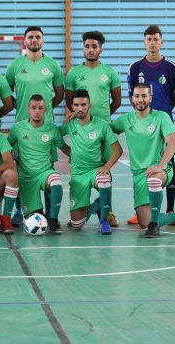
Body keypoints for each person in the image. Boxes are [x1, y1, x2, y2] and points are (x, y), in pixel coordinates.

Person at [111, 84, 175, 237]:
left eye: (144, 96)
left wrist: (160, 166)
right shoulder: (126, 119)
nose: (140, 99)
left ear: (150, 98)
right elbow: (105, 129)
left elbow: (172, 143)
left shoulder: (161, 117)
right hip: (139, 175)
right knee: (143, 223)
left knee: (153, 182)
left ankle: (155, 225)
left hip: (161, 170)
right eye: (137, 96)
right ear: (132, 99)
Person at [65, 30, 122, 228]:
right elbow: (69, 100)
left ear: (101, 49)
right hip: (82, 128)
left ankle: (108, 211)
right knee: (86, 165)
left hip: (102, 128)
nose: (90, 50)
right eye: (87, 46)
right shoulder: (74, 73)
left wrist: (102, 120)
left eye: (94, 46)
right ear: (83, 48)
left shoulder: (110, 72)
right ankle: (91, 206)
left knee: (106, 170)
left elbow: (117, 101)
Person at [126, 25, 175, 223]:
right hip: (142, 123)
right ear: (144, 42)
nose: (152, 43)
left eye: (156, 39)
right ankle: (143, 208)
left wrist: (162, 111)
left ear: (161, 42)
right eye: (149, 39)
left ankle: (169, 208)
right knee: (143, 163)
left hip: (163, 121)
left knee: (167, 163)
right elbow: (132, 95)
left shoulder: (171, 67)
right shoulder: (135, 67)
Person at [59, 89, 122, 235]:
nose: (80, 108)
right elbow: (55, 137)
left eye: (83, 104)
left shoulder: (101, 125)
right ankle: (98, 205)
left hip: (95, 170)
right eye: (76, 105)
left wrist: (107, 166)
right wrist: (70, 152)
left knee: (104, 180)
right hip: (78, 174)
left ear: (89, 106)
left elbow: (117, 150)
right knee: (76, 225)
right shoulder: (69, 124)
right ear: (72, 107)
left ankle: (104, 220)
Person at [7, 95, 66, 233]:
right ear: (28, 110)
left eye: (40, 108)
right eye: (33, 108)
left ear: (45, 110)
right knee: (36, 218)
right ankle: (30, 210)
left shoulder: (52, 129)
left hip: (44, 174)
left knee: (56, 180)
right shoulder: (17, 128)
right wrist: (12, 159)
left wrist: (81, 158)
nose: (37, 111)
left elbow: (65, 148)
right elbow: (6, 148)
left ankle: (53, 219)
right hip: (26, 178)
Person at [5, 26, 64, 123]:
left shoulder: (53, 65)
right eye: (30, 37)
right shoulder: (14, 65)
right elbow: (6, 95)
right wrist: (20, 105)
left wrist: (46, 108)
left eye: (38, 37)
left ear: (43, 41)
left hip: (47, 122)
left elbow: (60, 95)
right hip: (22, 122)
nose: (34, 39)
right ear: (24, 41)